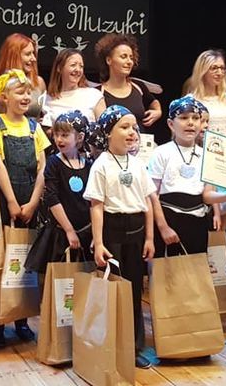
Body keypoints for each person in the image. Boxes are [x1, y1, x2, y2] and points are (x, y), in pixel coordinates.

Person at [0, 69, 50, 347]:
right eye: (19, 92)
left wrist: (32, 202)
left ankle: (21, 319)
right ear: (3, 96)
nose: (25, 97)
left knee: (26, 261)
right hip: (4, 198)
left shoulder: (35, 127)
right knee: (3, 261)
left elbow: (43, 167)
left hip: (31, 200)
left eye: (28, 92)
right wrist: (11, 201)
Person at [84, 105, 155, 369]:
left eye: (134, 127)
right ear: (107, 133)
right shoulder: (101, 165)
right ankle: (109, 346)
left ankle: (133, 347)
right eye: (124, 127)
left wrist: (149, 238)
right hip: (112, 231)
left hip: (136, 230)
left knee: (134, 290)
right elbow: (97, 206)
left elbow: (147, 203)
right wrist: (99, 243)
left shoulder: (137, 164)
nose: (132, 132)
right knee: (112, 291)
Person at [150, 96, 226, 258]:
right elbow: (152, 194)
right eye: (183, 118)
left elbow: (207, 196)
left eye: (195, 118)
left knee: (197, 269)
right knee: (168, 271)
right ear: (171, 124)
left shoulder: (207, 155)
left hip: (197, 222)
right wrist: (163, 227)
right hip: (169, 220)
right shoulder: (161, 152)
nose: (190, 123)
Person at [44, 110, 93, 259]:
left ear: (80, 137)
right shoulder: (54, 163)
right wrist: (69, 230)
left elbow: (93, 200)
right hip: (62, 231)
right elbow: (52, 198)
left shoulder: (88, 165)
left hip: (86, 230)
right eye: (56, 134)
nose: (59, 139)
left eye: (65, 135)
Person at [94, 34, 161, 130]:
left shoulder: (138, 86)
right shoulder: (97, 93)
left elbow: (153, 101)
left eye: (131, 58)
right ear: (109, 60)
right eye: (123, 57)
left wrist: (157, 111)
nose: (129, 61)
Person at [41, 49, 105, 129]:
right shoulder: (46, 99)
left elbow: (105, 129)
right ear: (59, 68)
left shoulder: (94, 95)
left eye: (81, 66)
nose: (78, 70)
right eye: (73, 65)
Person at [0, 33, 46, 120]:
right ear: (14, 56)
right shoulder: (1, 83)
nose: (33, 59)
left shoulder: (39, 82)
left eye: (33, 53)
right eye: (28, 54)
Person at [185, 49, 226, 138]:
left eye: (222, 68)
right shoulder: (191, 101)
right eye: (214, 68)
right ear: (202, 71)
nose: (219, 73)